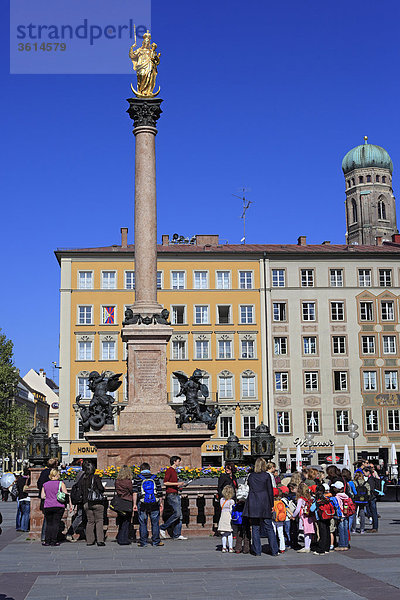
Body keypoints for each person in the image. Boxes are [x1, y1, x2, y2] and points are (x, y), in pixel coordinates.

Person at [243, 457, 279, 557]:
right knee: (269, 527)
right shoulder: (267, 476)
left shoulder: (250, 476)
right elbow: (270, 491)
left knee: (255, 528)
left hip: (253, 502)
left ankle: (257, 551)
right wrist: (272, 504)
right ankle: (274, 550)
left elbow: (248, 487)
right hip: (265, 502)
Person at [133, 462, 164, 547]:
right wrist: (160, 503)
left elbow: (135, 492)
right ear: (149, 469)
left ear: (141, 469)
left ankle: (143, 542)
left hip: (142, 502)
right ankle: (156, 541)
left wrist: (134, 504)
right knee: (155, 522)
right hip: (154, 502)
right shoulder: (155, 477)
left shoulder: (138, 478)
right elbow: (159, 491)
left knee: (143, 522)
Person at [41, 468, 71, 546]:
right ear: (57, 475)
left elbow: (42, 496)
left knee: (49, 523)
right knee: (56, 523)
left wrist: (49, 497)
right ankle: (54, 541)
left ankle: (47, 541)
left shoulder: (45, 484)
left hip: (48, 506)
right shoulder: (61, 483)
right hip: (58, 506)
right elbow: (65, 494)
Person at [159, 456, 187, 540]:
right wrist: (177, 484)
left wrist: (179, 486)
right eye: (178, 461)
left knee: (180, 515)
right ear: (174, 462)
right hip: (171, 494)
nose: (179, 463)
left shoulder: (174, 471)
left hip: (175, 493)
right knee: (177, 513)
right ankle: (163, 527)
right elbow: (165, 483)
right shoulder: (169, 470)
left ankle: (177, 534)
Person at [80, 460, 105, 546]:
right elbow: (101, 488)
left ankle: (90, 541)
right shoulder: (96, 477)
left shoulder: (83, 479)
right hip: (97, 502)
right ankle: (100, 540)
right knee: (99, 521)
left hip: (86, 502)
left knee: (90, 522)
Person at [37, 458, 59, 542]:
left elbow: (39, 483)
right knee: (53, 520)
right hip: (53, 498)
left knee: (47, 518)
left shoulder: (43, 472)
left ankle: (44, 536)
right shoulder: (53, 473)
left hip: (45, 498)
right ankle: (52, 537)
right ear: (54, 465)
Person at [291, 482, 315, 553]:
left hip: (304, 516)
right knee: (309, 532)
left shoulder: (300, 499)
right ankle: (308, 546)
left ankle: (306, 547)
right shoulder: (309, 498)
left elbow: (298, 509)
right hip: (310, 516)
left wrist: (293, 516)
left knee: (305, 532)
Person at [115, 465, 134, 545]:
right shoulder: (128, 481)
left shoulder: (117, 481)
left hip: (119, 502)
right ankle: (124, 539)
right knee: (126, 521)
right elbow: (131, 490)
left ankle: (120, 538)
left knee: (121, 521)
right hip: (127, 501)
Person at [331, 480, 349, 551]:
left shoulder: (337, 497)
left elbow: (336, 506)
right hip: (346, 515)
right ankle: (346, 544)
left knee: (341, 531)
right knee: (345, 530)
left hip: (340, 515)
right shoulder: (346, 495)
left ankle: (341, 545)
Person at [217, 485, 235, 552]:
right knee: (229, 533)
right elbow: (231, 510)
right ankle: (230, 548)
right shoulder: (231, 501)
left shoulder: (222, 500)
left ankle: (224, 547)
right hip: (228, 516)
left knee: (223, 533)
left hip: (223, 516)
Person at [16, 467, 30, 532]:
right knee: (26, 514)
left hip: (20, 498)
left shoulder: (19, 479)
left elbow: (17, 489)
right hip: (27, 498)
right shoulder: (29, 480)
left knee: (20, 513)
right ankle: (24, 527)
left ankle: (19, 526)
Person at [272, 488, 286, 553]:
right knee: (281, 534)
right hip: (281, 520)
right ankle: (282, 548)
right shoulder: (281, 502)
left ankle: (274, 547)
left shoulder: (272, 502)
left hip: (274, 520)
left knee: (273, 534)